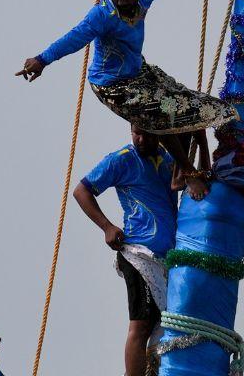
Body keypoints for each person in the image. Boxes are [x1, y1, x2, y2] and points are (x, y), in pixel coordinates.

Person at [18, 0, 236, 199]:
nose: (121, 2)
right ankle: (188, 173)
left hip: (139, 73)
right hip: (111, 85)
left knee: (203, 107)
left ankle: (181, 172)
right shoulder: (101, 15)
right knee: (156, 113)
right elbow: (74, 37)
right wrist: (42, 59)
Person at [73, 126, 182, 376]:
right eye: (136, 133)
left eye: (148, 133)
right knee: (141, 324)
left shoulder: (168, 160)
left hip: (165, 259)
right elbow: (81, 191)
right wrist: (106, 226)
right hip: (137, 253)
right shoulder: (122, 159)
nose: (141, 139)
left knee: (159, 325)